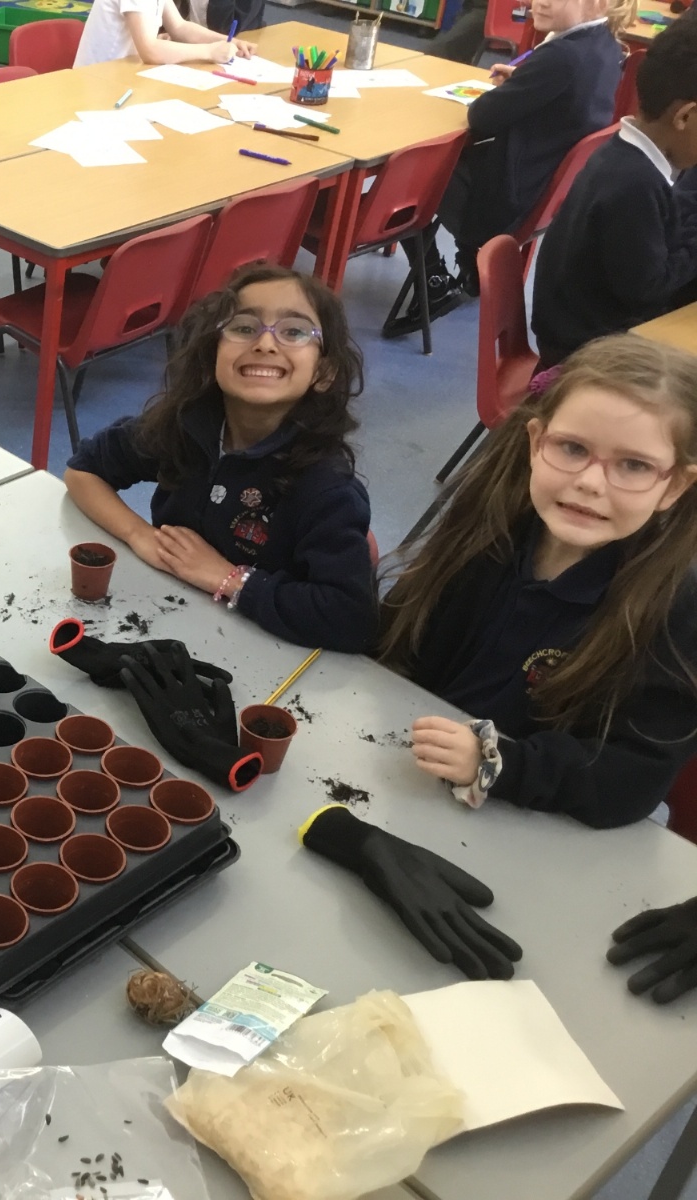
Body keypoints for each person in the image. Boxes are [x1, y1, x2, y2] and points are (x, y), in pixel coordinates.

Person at [379, 336, 697, 829]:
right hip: (403, 774)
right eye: (573, 448)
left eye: (633, 465)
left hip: (528, 822)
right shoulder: (490, 531)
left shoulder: (677, 607)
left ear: (674, 485)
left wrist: (499, 763)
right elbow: (397, 640)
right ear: (535, 443)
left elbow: (632, 778)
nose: (590, 482)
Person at [62, 265, 377, 653]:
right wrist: (138, 535)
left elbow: (351, 619)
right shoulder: (187, 425)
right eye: (244, 327)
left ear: (323, 372)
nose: (265, 343)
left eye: (294, 332)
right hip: (171, 622)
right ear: (213, 351)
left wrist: (228, 578)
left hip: (268, 652)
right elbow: (83, 470)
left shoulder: (325, 486)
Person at [402, 0, 624, 327]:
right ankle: (471, 265)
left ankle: (434, 280)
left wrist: (519, 87)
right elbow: (562, 95)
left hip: (506, 201)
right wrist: (523, 82)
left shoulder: (561, 56)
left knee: (412, 172)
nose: (540, 2)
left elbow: (481, 116)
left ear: (598, 4)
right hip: (545, 191)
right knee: (453, 156)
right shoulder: (606, 46)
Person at [531, 10, 697, 368]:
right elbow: (647, 290)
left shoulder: (625, 155)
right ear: (684, 117)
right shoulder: (636, 184)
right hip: (586, 357)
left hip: (585, 333)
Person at [73, 0, 254, 67]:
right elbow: (149, 50)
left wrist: (230, 41)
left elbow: (180, 27)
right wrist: (209, 51)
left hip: (125, 72)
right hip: (99, 79)